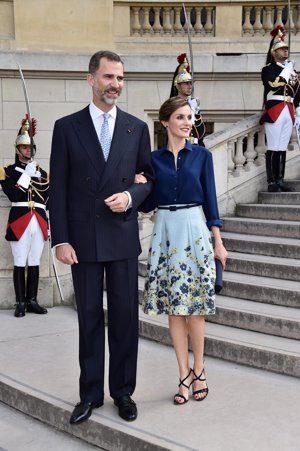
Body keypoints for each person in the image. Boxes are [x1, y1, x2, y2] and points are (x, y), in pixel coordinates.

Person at [49, 50, 154, 424]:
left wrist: (129, 196)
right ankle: (90, 394)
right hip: (83, 240)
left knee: (125, 317)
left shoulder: (136, 128)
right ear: (90, 79)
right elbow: (57, 189)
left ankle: (123, 391)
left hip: (122, 236)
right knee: (90, 318)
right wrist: (60, 239)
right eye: (109, 77)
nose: (115, 85)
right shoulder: (66, 127)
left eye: (121, 78)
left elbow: (149, 182)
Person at [137, 96, 227, 405]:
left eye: (190, 116)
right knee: (174, 310)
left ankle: (199, 369)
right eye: (180, 117)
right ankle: (183, 374)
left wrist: (218, 241)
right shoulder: (153, 159)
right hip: (165, 232)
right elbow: (148, 204)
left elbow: (211, 200)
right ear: (165, 122)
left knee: (195, 310)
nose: (187, 122)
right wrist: (139, 185)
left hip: (194, 230)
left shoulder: (201, 156)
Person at [0, 117, 49, 318]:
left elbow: (47, 199)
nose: (28, 151)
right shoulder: (8, 172)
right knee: (20, 260)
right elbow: (13, 194)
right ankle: (20, 302)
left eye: (30, 147)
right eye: (24, 147)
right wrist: (26, 175)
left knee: (34, 260)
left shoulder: (43, 174)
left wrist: (50, 223)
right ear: (17, 149)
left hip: (39, 219)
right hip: (20, 219)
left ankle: (32, 301)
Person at [260, 25, 300, 192]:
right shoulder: (268, 70)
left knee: (282, 146)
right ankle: (271, 182)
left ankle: (280, 180)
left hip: (288, 109)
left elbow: (297, 93)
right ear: (273, 52)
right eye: (281, 49)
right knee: (273, 146)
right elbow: (273, 85)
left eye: (286, 49)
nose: (285, 51)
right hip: (275, 108)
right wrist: (286, 72)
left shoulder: (292, 71)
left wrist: (298, 111)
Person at [170, 53, 205, 146]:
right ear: (178, 85)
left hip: (196, 148)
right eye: (186, 83)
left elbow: (200, 132)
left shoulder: (193, 103)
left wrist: (196, 112)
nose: (190, 87)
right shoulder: (172, 105)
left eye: (191, 83)